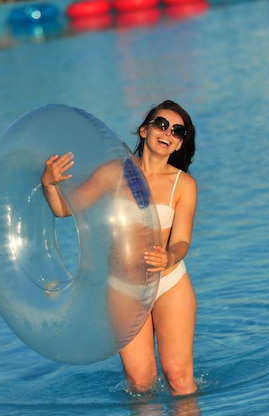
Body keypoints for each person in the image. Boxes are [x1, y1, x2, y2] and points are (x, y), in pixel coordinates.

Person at [41, 100, 198, 397]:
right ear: (144, 130)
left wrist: (170, 257)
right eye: (161, 124)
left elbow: (182, 240)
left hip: (169, 284)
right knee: (140, 383)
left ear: (179, 145)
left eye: (177, 131)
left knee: (178, 377)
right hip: (124, 287)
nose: (168, 133)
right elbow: (65, 210)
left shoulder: (184, 185)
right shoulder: (113, 172)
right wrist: (49, 184)